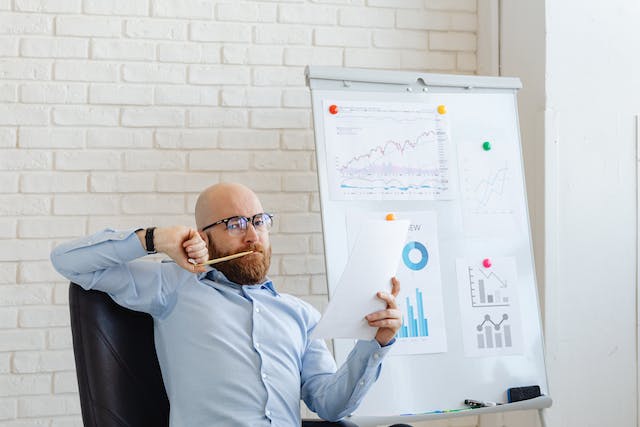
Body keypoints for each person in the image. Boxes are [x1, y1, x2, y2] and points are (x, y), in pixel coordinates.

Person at [51, 182, 402, 427]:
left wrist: (376, 343)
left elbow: (332, 405)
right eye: (234, 224)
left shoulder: (300, 316)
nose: (253, 235)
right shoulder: (174, 287)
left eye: (259, 221)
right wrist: (155, 238)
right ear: (203, 237)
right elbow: (67, 260)